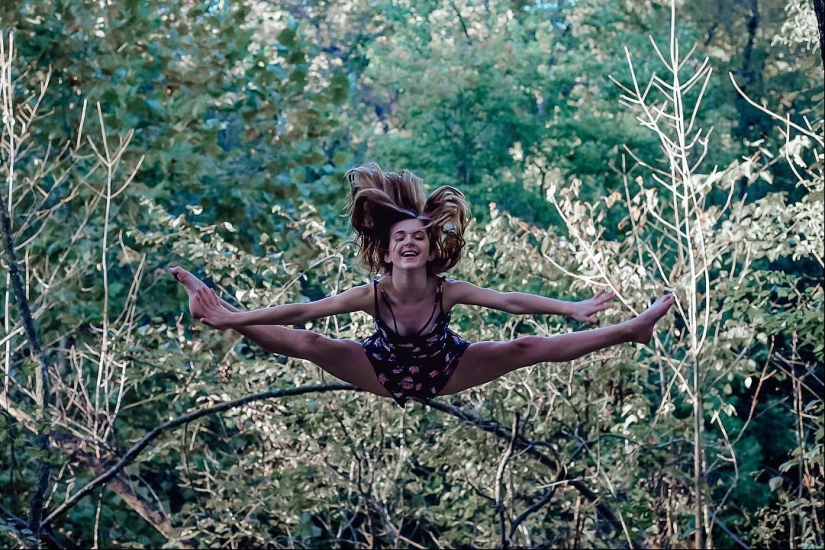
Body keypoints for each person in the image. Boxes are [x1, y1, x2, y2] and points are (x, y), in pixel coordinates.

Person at [170, 162, 674, 407]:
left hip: (447, 369)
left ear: (430, 250)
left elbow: (509, 301)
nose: (409, 243)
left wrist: (572, 306)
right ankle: (218, 312)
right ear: (386, 251)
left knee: (525, 346)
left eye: (418, 237)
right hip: (380, 371)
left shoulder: (444, 289)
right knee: (309, 341)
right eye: (400, 238)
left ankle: (631, 331)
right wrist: (231, 318)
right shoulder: (371, 294)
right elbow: (301, 313)